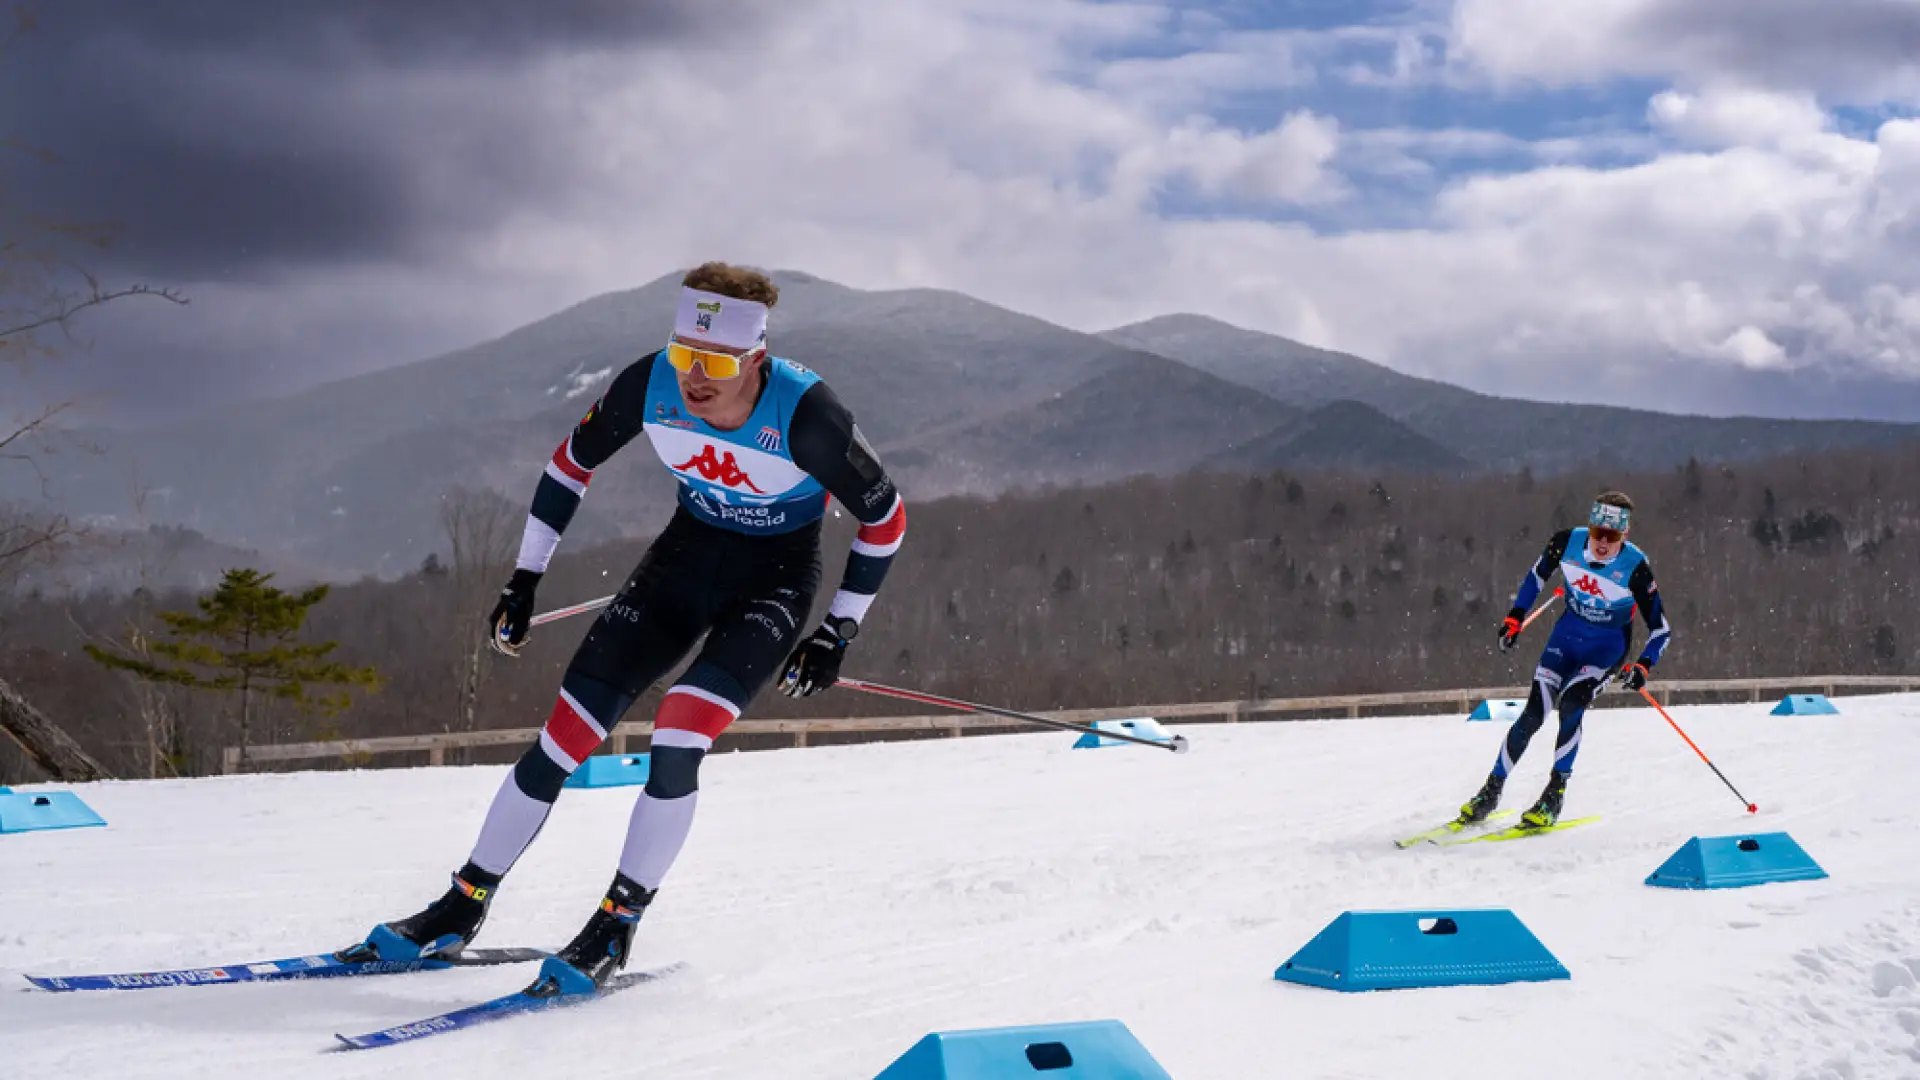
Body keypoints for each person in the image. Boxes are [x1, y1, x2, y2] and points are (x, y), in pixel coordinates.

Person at [354, 262, 907, 993]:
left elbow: (886, 519)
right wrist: (524, 579)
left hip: (772, 581)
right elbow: (567, 466)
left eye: (715, 361)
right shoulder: (650, 383)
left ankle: (618, 919)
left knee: (678, 732)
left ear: (758, 361)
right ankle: (462, 904)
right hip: (681, 560)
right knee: (565, 735)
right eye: (684, 355)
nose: (694, 378)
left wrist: (838, 630)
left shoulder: (808, 416)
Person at [1456, 491, 1671, 828]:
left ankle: (1554, 795)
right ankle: (1490, 791)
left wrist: (1644, 665)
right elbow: (1535, 577)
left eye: (1612, 536)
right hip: (1565, 640)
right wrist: (1514, 618)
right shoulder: (1566, 543)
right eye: (1597, 532)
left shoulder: (1636, 567)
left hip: (1605, 650)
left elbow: (1661, 629)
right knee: (1533, 713)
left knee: (1572, 704)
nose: (1602, 542)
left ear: (1624, 535)